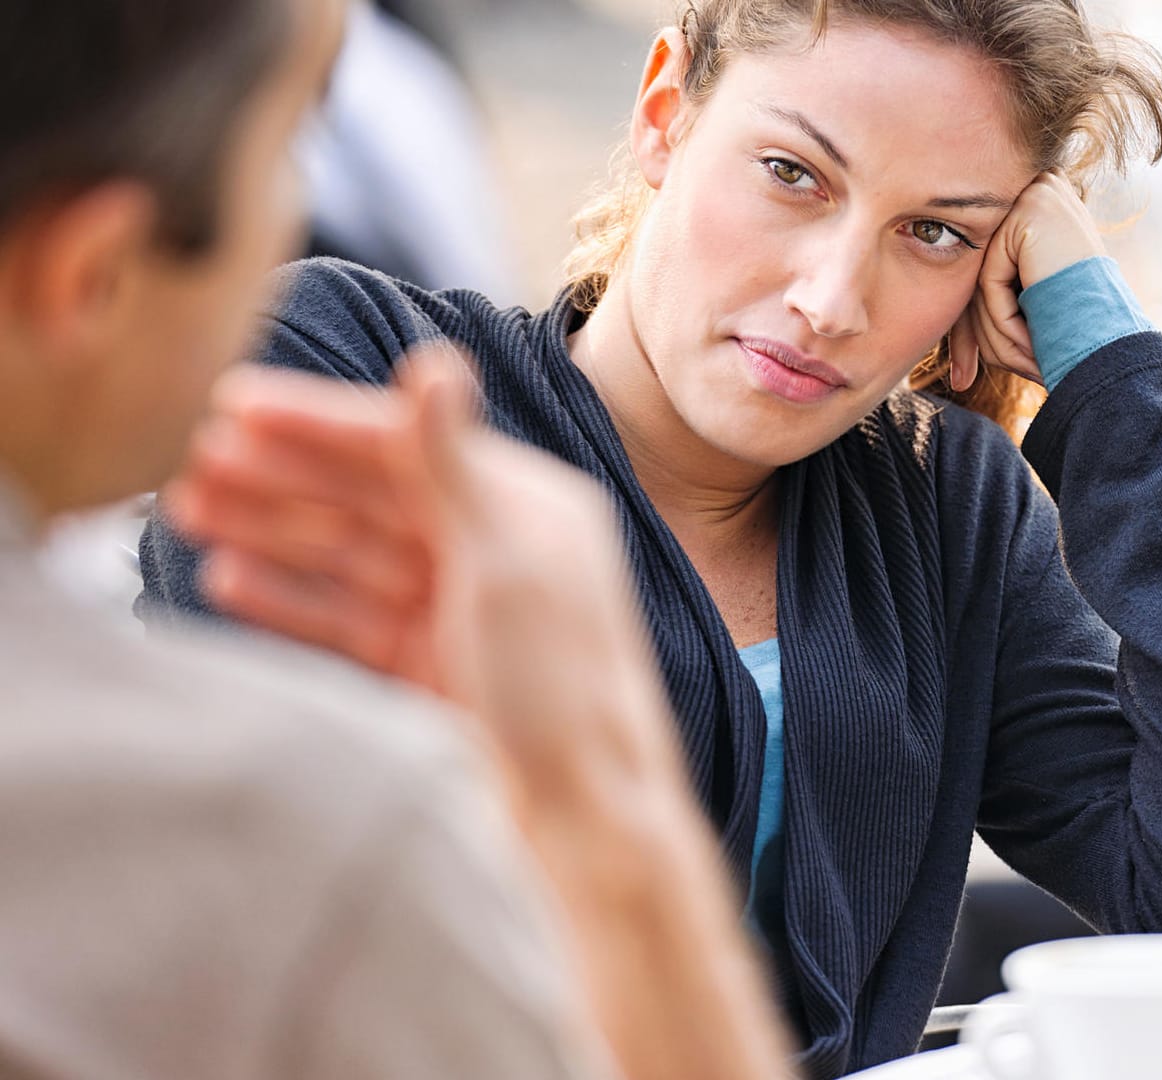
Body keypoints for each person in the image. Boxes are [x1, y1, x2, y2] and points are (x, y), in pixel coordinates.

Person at [140, 0, 1162, 1075]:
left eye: (933, 231)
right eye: (792, 172)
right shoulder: (355, 372)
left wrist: (1114, 395)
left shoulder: (945, 508)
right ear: (665, 112)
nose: (831, 300)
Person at [0, 1, 790, 1077]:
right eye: (288, 149)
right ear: (92, 270)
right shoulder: (337, 829)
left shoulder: (954, 511)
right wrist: (602, 799)